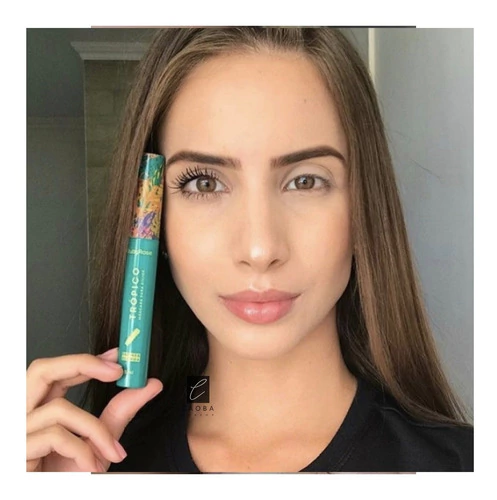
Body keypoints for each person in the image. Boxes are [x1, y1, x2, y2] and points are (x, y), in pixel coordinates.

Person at [26, 27, 473, 473]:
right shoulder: (90, 469)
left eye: (305, 181)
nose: (260, 249)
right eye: (205, 183)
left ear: (364, 211)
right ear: (153, 222)